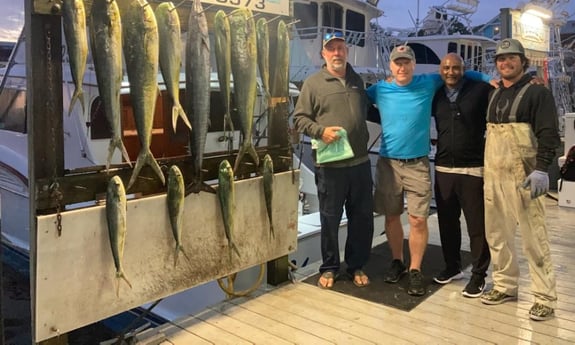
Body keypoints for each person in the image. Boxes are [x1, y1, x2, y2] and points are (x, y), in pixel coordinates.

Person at [366, 46, 492, 296]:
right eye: (397, 63)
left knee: (418, 219)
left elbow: (463, 74)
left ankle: (415, 269)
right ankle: (397, 261)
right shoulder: (379, 89)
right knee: (391, 216)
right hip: (388, 162)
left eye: (406, 63)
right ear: (391, 67)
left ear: (414, 66)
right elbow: (356, 98)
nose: (402, 68)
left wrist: (489, 78)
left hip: (418, 163)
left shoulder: (428, 82)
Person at [480, 38, 559, 321]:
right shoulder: (495, 93)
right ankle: (505, 285)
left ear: (523, 62)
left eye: (512, 58)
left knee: (533, 237)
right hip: (493, 175)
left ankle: (544, 297)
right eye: (501, 59)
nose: (506, 63)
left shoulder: (538, 94)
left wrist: (542, 169)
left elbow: (549, 133)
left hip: (524, 176)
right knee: (497, 235)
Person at [293, 31, 374, 289]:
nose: (337, 53)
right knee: (329, 218)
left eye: (340, 47)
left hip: (360, 163)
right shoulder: (313, 83)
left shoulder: (357, 81)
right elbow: (299, 119)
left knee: (361, 218)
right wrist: (320, 131)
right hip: (330, 166)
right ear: (323, 54)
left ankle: (356, 265)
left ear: (346, 51)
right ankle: (329, 267)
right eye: (331, 49)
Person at [431, 53, 491, 298]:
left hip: (473, 169)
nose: (451, 72)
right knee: (447, 223)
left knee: (477, 226)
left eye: (456, 68)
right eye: (446, 67)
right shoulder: (436, 95)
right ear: (441, 69)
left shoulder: (480, 90)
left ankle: (478, 276)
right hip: (443, 168)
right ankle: (452, 267)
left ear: (463, 69)